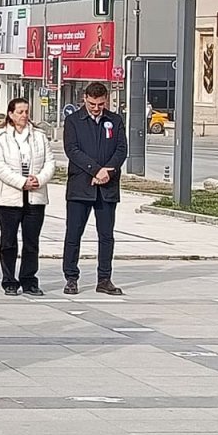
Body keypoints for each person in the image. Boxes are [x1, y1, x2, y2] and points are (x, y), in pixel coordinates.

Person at [62, 82, 127, 296]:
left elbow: (121, 150)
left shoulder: (115, 121)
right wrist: (95, 170)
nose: (96, 108)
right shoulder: (73, 121)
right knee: (74, 234)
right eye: (92, 104)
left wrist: (107, 171)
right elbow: (72, 150)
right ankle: (71, 278)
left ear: (106, 100)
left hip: (107, 187)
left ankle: (104, 278)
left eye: (100, 104)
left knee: (106, 235)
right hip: (81, 186)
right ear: (85, 99)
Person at [0, 98, 56, 296]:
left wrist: (39, 179)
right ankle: (9, 280)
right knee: (8, 241)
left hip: (35, 195)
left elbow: (49, 163)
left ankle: (29, 280)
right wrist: (21, 182)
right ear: (10, 114)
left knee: (31, 241)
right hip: (9, 197)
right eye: (20, 112)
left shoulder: (39, 136)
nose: (24, 115)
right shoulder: (0, 137)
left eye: (26, 111)